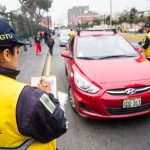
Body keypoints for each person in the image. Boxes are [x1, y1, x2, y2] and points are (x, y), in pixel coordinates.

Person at [0, 19, 67, 149]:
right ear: (7, 54)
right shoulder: (29, 98)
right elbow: (59, 124)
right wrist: (48, 94)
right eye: (17, 52)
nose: (18, 56)